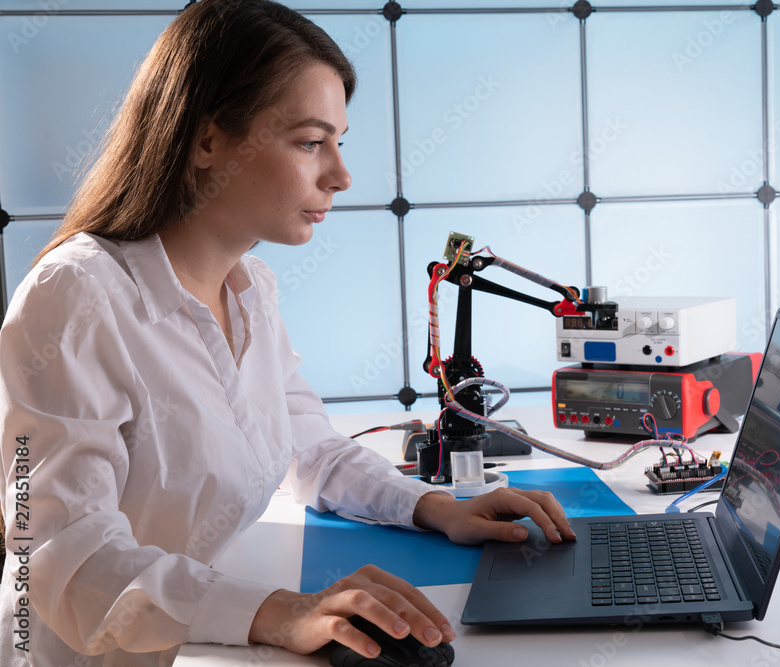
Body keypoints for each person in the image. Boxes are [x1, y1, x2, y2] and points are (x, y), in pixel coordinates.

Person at [0, 1, 576, 665]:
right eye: (309, 143)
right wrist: (283, 611)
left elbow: (313, 450)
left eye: (339, 142)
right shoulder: (76, 295)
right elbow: (59, 553)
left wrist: (438, 507)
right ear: (208, 140)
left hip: (207, 645)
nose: (341, 175)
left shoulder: (252, 289)